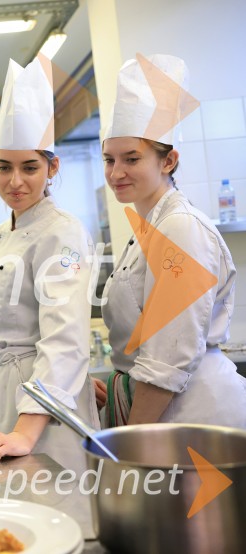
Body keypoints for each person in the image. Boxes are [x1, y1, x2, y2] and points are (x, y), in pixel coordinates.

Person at [0, 57, 100, 473]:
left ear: (52, 167)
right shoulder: (1, 233)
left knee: (53, 514)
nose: (15, 181)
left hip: (38, 409)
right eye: (4, 167)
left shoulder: (63, 234)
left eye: (30, 167)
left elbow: (65, 338)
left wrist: (25, 430)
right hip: (2, 392)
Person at [101, 54, 246, 427]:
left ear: (168, 161)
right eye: (109, 159)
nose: (116, 173)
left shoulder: (180, 227)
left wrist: (131, 440)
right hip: (171, 413)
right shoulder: (153, 224)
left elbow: (167, 357)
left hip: (195, 414)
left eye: (131, 159)